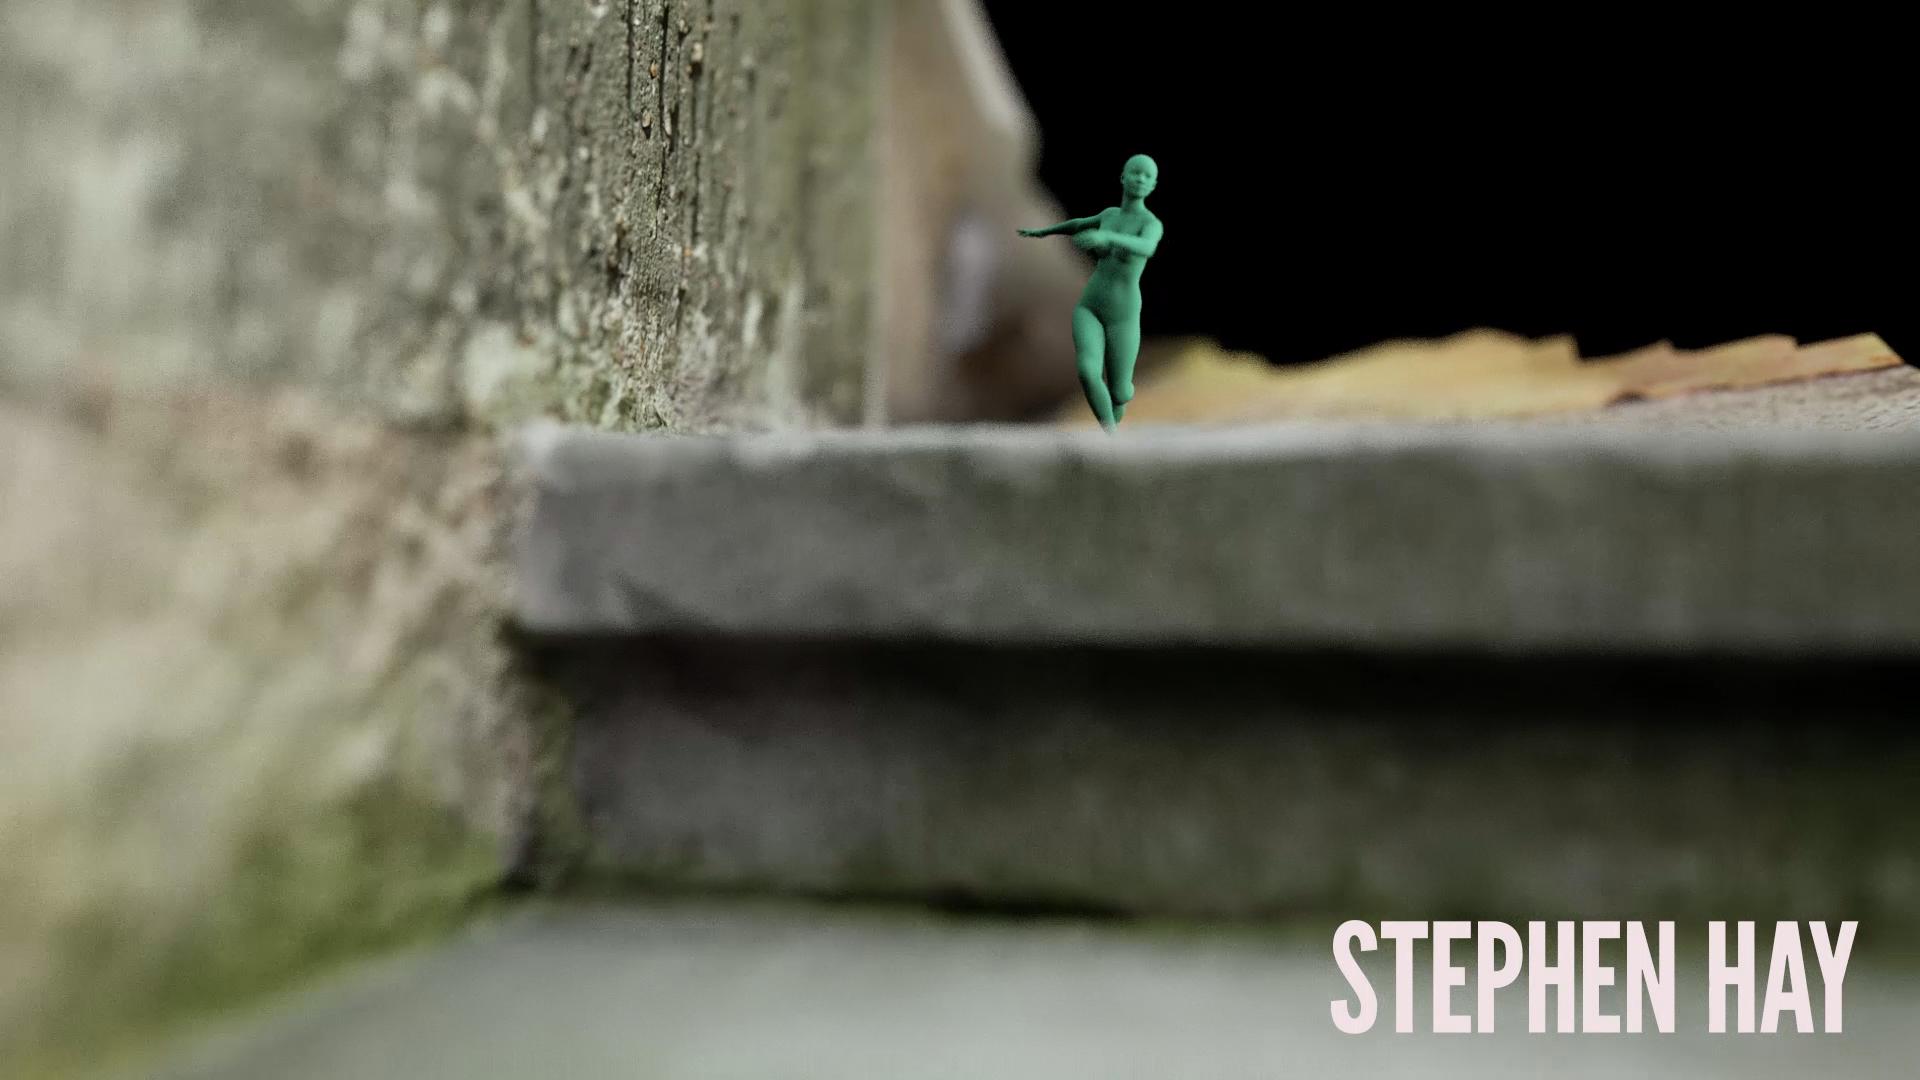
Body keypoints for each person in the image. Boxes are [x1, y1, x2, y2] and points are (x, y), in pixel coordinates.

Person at [1018, 155, 1163, 429]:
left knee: (1120, 391)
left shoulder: (1151, 224)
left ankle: (1116, 413)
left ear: (1153, 184)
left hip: (1124, 309)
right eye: (1136, 173)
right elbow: (1077, 224)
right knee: (1087, 371)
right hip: (1091, 303)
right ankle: (1108, 434)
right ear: (1123, 177)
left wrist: (1107, 238)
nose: (1140, 179)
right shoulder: (1108, 216)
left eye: (1147, 175)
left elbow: (1147, 247)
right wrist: (1042, 232)